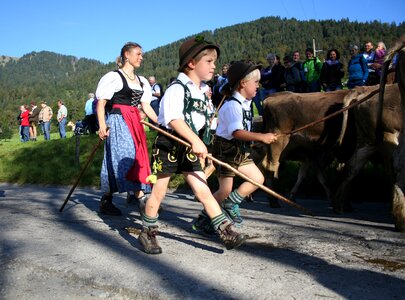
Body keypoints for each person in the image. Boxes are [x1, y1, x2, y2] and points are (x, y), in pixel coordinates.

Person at [138, 36, 247, 254]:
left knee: (203, 189)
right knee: (159, 192)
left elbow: (206, 120)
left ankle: (225, 230)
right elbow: (173, 119)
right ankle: (147, 231)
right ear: (191, 63)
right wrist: (195, 140)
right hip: (169, 144)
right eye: (209, 61)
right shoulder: (177, 88)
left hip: (189, 146)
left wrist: (212, 133)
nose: (214, 66)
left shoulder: (203, 91)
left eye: (214, 62)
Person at [192, 61, 278, 232]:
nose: (258, 86)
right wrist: (261, 137)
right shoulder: (232, 106)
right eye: (255, 82)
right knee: (224, 189)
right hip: (226, 150)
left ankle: (231, 202)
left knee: (258, 179)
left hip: (240, 149)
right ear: (243, 83)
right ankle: (203, 219)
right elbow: (236, 132)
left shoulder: (245, 103)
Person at [96, 41, 158, 216]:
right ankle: (140, 198)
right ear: (126, 55)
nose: (141, 57)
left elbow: (145, 105)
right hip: (118, 121)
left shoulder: (142, 81)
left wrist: (159, 122)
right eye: (138, 54)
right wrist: (102, 125)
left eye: (141, 54)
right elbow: (101, 103)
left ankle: (109, 200)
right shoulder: (113, 77)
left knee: (138, 157)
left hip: (135, 122)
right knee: (125, 156)